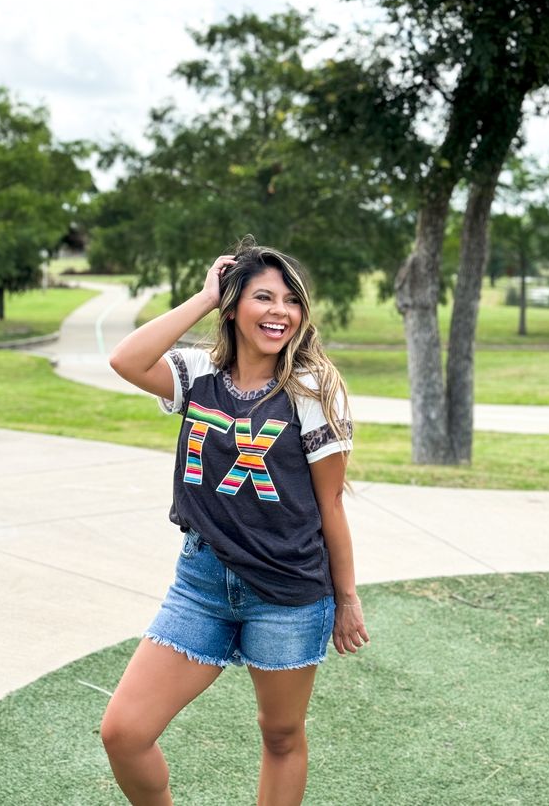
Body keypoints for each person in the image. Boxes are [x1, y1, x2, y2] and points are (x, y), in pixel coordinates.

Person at [101, 237, 369, 806]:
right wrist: (201, 298)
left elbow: (331, 506)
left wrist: (346, 598)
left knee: (280, 734)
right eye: (263, 297)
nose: (280, 312)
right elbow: (125, 359)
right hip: (201, 583)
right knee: (124, 733)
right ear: (232, 307)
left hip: (288, 591)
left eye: (290, 301)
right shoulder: (198, 373)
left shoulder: (311, 391)